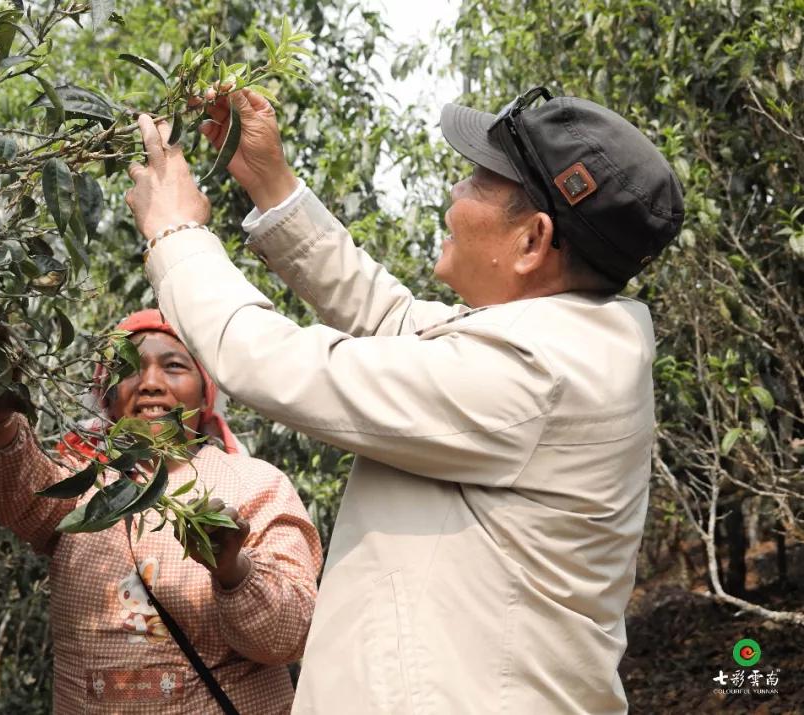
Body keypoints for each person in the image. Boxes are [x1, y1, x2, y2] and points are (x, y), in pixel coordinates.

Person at [123, 85, 684, 714]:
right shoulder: (569, 343)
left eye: (479, 180)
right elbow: (391, 318)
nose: (455, 192)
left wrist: (173, 232)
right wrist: (272, 185)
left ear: (532, 241)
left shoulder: (533, 373)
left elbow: (274, 364)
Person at [0, 309, 323, 714]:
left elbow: (288, 638)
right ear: (107, 396)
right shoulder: (79, 482)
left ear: (204, 392)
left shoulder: (256, 485)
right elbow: (18, 492)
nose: (150, 384)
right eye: (130, 369)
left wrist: (232, 570)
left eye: (173, 366)